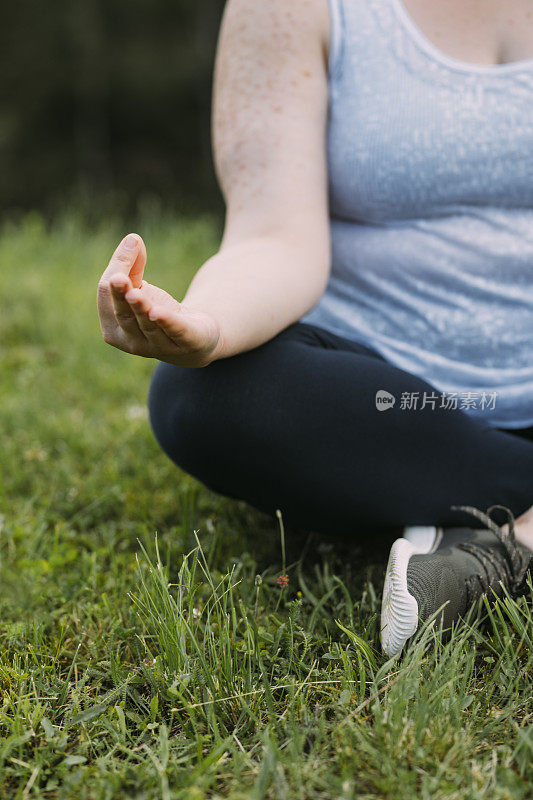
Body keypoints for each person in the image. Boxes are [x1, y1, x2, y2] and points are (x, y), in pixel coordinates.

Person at [97, 0, 533, 656]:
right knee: (207, 398)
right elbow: (273, 235)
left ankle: (498, 546)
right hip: (384, 400)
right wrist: (208, 325)